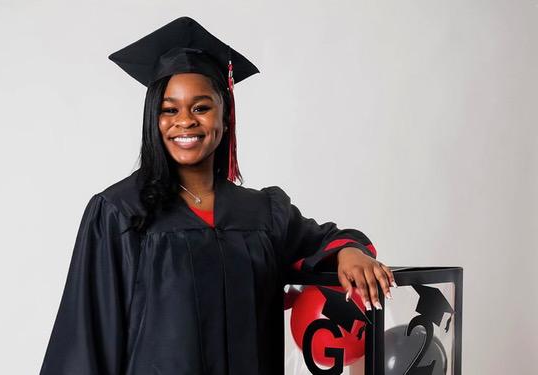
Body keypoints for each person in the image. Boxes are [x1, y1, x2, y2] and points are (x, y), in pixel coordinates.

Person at [39, 16, 395, 375]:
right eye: (169, 109)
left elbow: (327, 243)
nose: (185, 121)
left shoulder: (262, 212)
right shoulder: (121, 212)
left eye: (201, 107)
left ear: (225, 118)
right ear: (154, 119)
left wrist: (350, 252)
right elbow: (87, 337)